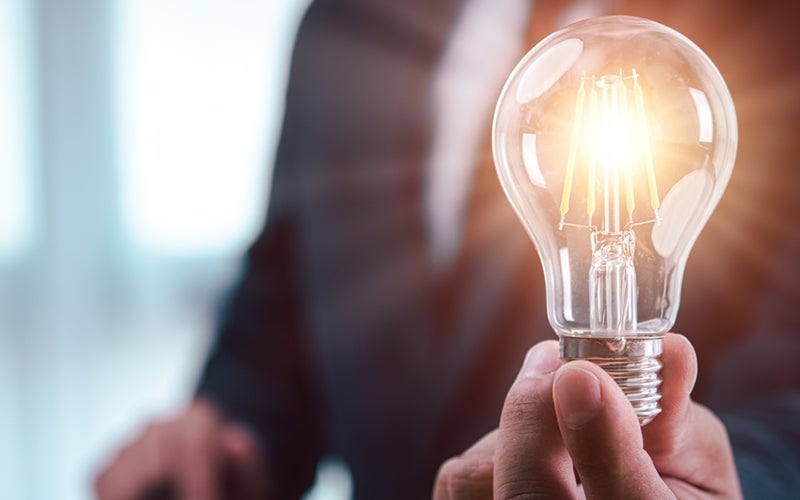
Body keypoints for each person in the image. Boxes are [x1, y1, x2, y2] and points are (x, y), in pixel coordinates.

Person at [95, 0, 800, 498]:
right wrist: (224, 437)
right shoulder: (345, 25)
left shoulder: (776, 32)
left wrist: (712, 486)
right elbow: (285, 315)